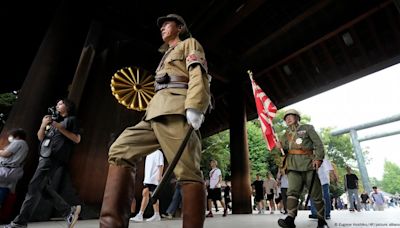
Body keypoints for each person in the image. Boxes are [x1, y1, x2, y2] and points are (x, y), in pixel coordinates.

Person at [99, 13, 211, 228]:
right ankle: (111, 224)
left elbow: (198, 72)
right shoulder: (165, 55)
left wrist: (195, 106)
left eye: (166, 24)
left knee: (188, 170)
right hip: (153, 113)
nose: (162, 28)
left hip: (175, 110)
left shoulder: (189, 43)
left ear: (179, 27)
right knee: (120, 150)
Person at [5, 99, 81, 228]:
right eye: (57, 104)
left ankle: (20, 222)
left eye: (60, 103)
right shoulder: (53, 122)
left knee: (33, 187)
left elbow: (77, 139)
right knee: (41, 187)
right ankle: (68, 211)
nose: (57, 105)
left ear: (67, 107)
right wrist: (43, 124)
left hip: (53, 158)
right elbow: (41, 137)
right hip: (45, 156)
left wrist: (59, 127)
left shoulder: (71, 120)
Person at [276, 109, 328, 228]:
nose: (288, 119)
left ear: (297, 117)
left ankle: (321, 220)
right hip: (292, 166)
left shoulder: (307, 128)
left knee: (316, 193)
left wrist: (318, 158)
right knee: (292, 192)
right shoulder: (285, 134)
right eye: (286, 118)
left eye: (290, 116)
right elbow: (283, 151)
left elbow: (318, 144)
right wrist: (279, 146)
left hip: (308, 164)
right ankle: (290, 219)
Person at [131, 149, 164, 222]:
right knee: (147, 194)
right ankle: (146, 214)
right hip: (149, 178)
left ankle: (150, 214)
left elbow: (160, 165)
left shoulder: (158, 153)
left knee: (152, 195)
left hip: (154, 178)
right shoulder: (148, 153)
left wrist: (159, 176)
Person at [0, 128, 29, 207]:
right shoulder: (25, 145)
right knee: (5, 187)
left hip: (7, 169)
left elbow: (6, 154)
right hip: (13, 170)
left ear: (16, 136)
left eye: (11, 135)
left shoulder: (18, 142)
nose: (10, 137)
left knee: (3, 187)